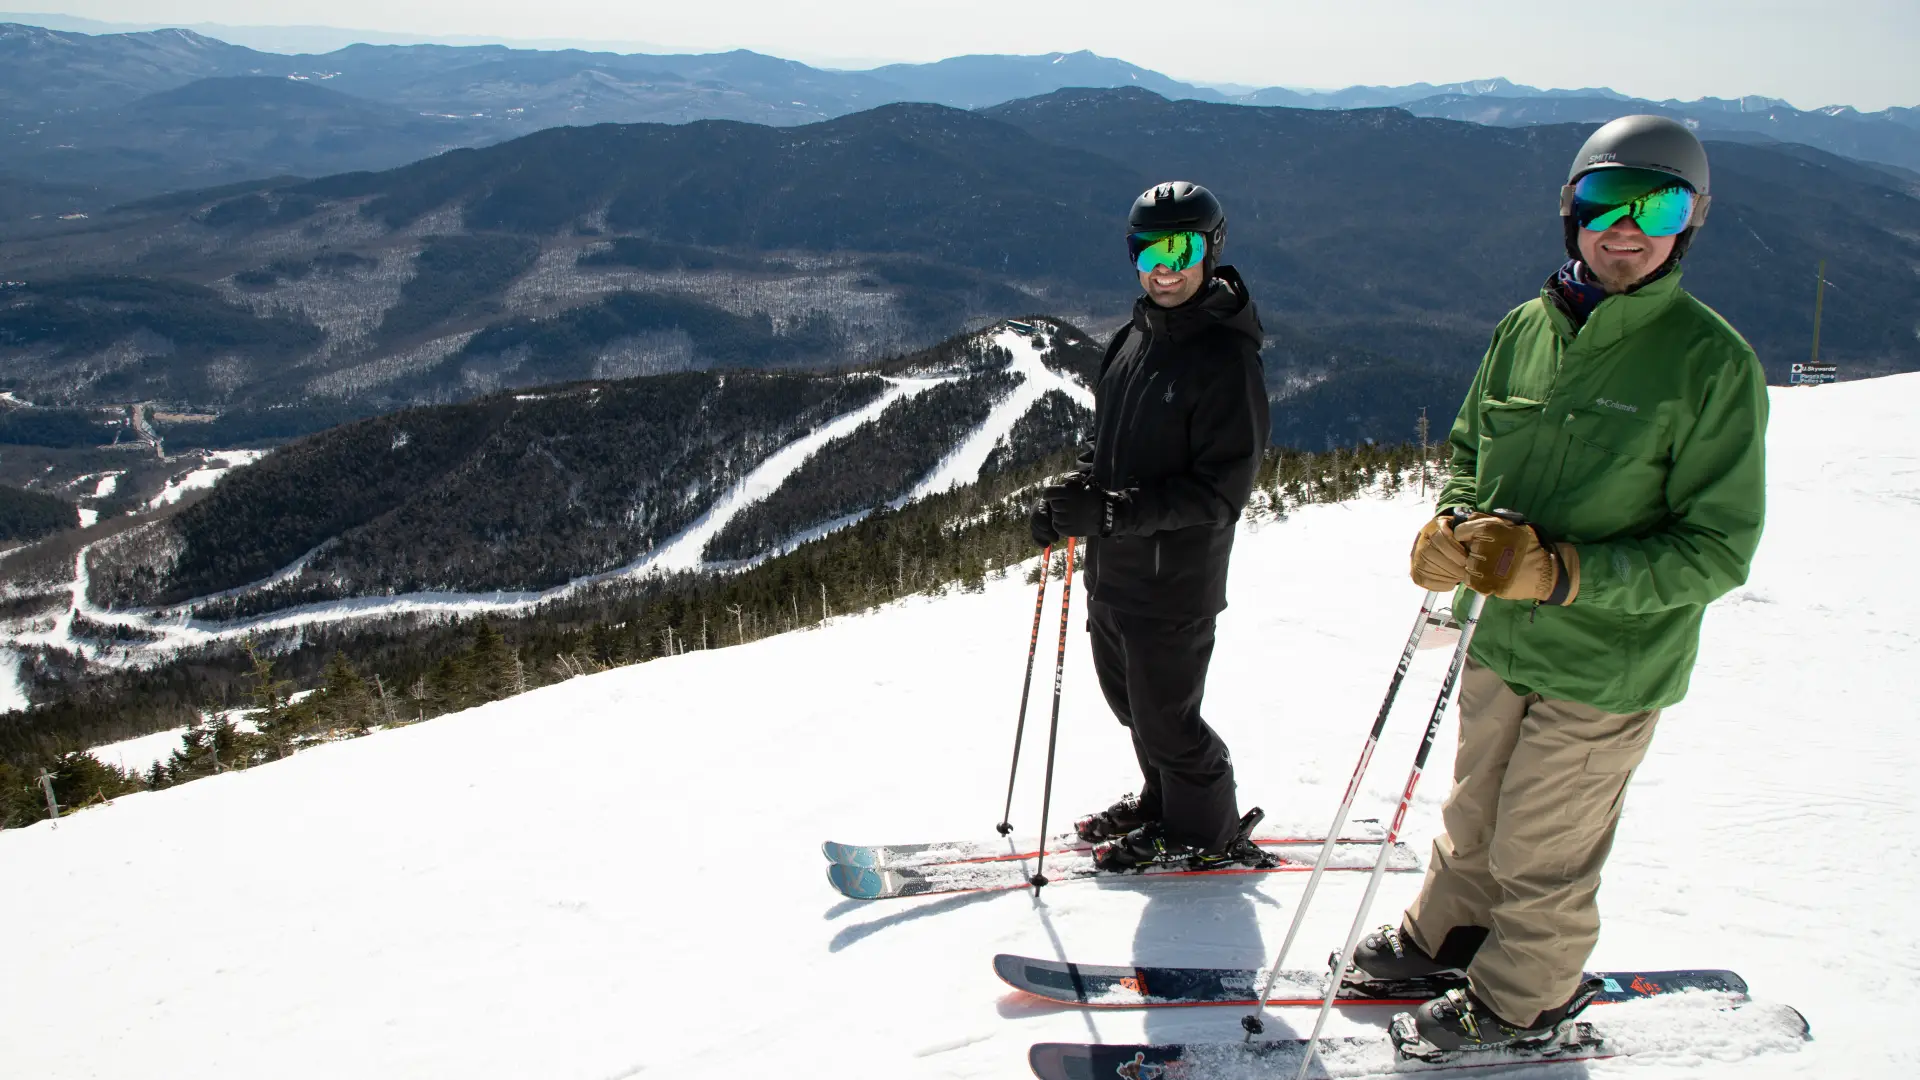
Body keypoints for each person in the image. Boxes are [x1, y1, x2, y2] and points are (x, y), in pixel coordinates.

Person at [1350, 115, 1770, 1053]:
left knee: (1546, 845)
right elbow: (1470, 451)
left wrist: (1565, 572)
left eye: (1654, 205)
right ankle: (1446, 935)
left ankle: (1527, 999)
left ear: (1689, 220)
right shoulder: (1526, 329)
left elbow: (1719, 548)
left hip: (1607, 661)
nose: (1624, 227)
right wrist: (1454, 528)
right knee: (1474, 809)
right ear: (1570, 212)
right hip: (1502, 636)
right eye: (1600, 202)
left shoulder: (1710, 365)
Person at [1029, 180, 1271, 871]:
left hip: (1174, 584)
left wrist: (1112, 513)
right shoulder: (1134, 337)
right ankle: (1163, 800)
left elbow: (1221, 494)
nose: (1163, 266)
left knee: (1170, 718)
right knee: (1133, 706)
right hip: (1116, 571)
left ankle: (1205, 827)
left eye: (1180, 247)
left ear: (1210, 250)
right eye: (1146, 248)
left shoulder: (1226, 359)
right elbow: (1105, 444)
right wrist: (1073, 496)